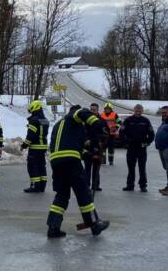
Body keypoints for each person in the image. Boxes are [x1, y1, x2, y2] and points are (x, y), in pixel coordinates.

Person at [46, 105, 110, 238]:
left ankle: (53, 227)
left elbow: (80, 146)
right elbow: (82, 114)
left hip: (56, 163)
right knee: (83, 192)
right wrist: (98, 125)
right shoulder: (73, 116)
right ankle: (94, 224)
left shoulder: (60, 126)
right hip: (70, 161)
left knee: (62, 195)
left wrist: (93, 152)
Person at [119, 104, 155, 192]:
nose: (138, 112)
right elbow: (121, 132)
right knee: (131, 168)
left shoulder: (145, 121)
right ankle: (130, 185)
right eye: (136, 111)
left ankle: (143, 186)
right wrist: (125, 143)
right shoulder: (128, 120)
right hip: (131, 147)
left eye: (140, 111)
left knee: (142, 168)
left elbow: (151, 134)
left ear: (142, 111)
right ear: (134, 111)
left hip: (141, 148)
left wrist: (147, 142)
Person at [22, 100, 49, 193]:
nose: (31, 112)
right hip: (43, 147)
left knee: (32, 166)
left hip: (34, 148)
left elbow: (30, 135)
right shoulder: (45, 120)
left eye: (31, 110)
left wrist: (24, 145)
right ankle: (42, 186)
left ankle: (35, 186)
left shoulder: (33, 120)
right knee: (42, 166)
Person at [83, 103, 104, 192]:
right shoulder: (85, 121)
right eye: (91, 109)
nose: (92, 111)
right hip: (88, 148)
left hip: (98, 148)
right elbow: (81, 132)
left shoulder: (102, 121)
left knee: (96, 169)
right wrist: (85, 140)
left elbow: (106, 134)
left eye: (94, 110)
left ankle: (95, 186)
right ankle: (86, 185)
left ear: (97, 110)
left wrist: (101, 143)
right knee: (87, 168)